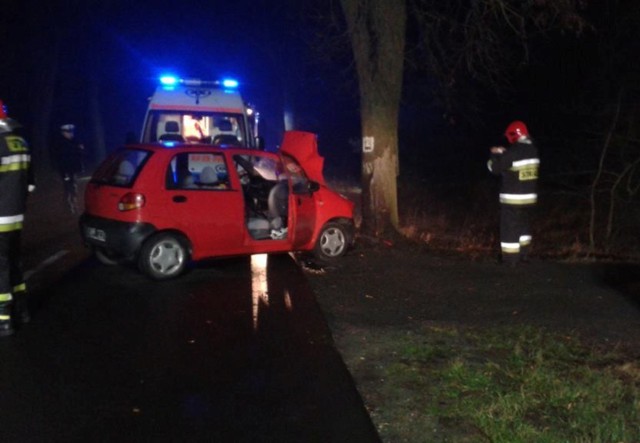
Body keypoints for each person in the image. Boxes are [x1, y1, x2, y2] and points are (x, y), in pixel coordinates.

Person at [0, 99, 35, 336]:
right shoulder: (20, 142)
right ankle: (22, 309)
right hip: (17, 216)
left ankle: (3, 319)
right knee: (14, 262)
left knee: (0, 265)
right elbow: (31, 185)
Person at [487, 120, 540, 266]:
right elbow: (516, 162)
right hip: (529, 200)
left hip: (513, 200)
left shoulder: (514, 152)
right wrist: (506, 153)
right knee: (524, 228)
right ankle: (523, 256)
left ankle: (510, 260)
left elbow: (495, 168)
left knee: (510, 228)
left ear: (514, 135)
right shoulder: (532, 150)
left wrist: (494, 155)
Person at [51, 123, 84, 213]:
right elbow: (58, 158)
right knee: (68, 187)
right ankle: (69, 206)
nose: (71, 134)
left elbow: (78, 155)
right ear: (63, 133)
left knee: (73, 186)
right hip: (65, 169)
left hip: (73, 169)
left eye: (71, 132)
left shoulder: (74, 141)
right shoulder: (60, 143)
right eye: (68, 132)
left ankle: (72, 204)